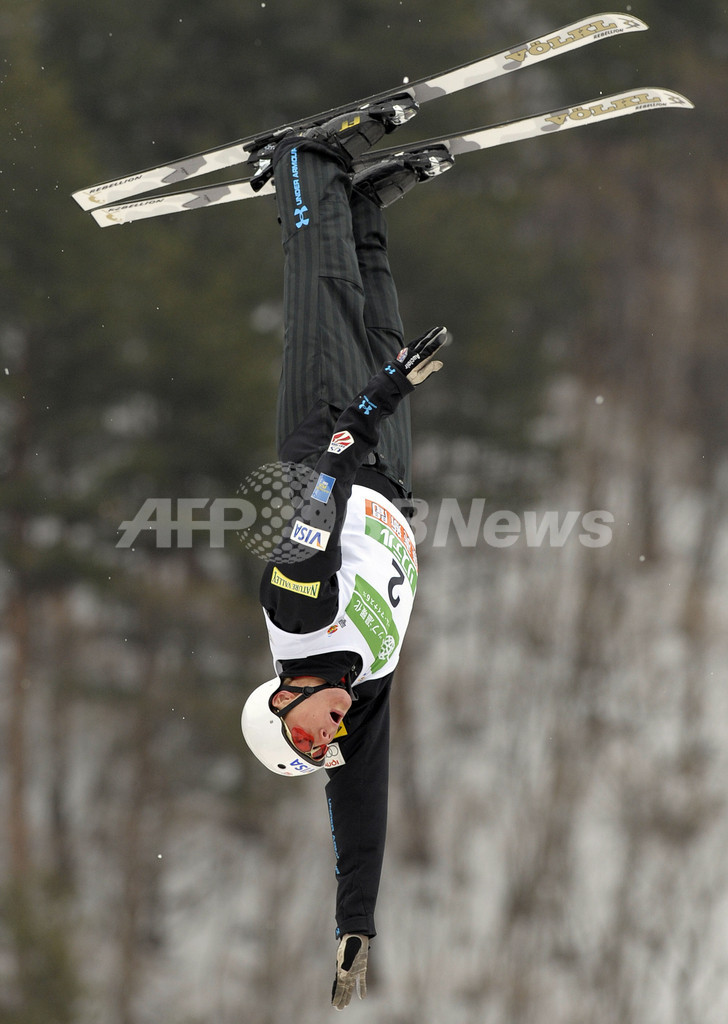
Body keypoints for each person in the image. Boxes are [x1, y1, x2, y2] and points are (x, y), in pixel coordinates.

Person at [240, 107, 451, 1010]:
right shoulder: (354, 696)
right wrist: (354, 922)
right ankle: (361, 207)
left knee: (322, 297)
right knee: (376, 318)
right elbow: (360, 811)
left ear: (281, 701)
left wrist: (378, 399)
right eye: (320, 750)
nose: (329, 741)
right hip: (388, 475)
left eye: (308, 737)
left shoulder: (297, 617)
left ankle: (302, 165)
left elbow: (321, 487)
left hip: (329, 436)